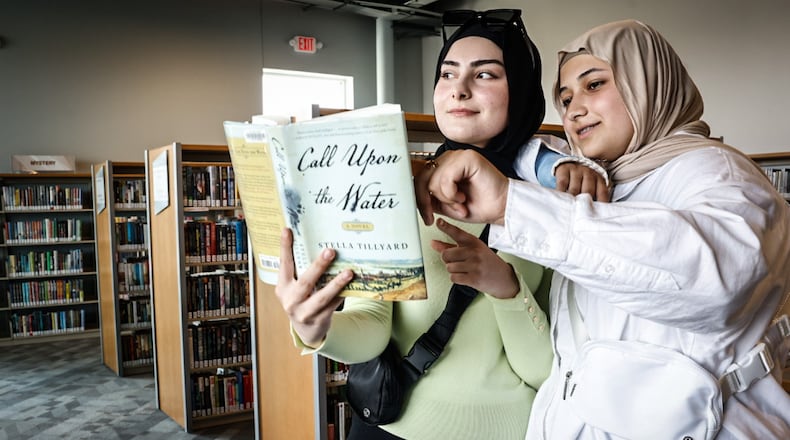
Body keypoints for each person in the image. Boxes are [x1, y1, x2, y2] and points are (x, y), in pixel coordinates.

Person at [416, 19, 790, 439]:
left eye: (594, 85)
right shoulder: (601, 186)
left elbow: (715, 281)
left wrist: (512, 206)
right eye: (565, 96)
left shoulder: (719, 174)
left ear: (646, 81)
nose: (574, 108)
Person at [275, 9, 609, 440]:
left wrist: (505, 287)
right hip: (387, 426)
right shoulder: (393, 186)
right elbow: (373, 327)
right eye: (447, 74)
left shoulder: (549, 202)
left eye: (485, 75)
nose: (460, 91)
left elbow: (548, 369)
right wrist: (317, 330)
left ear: (521, 91)